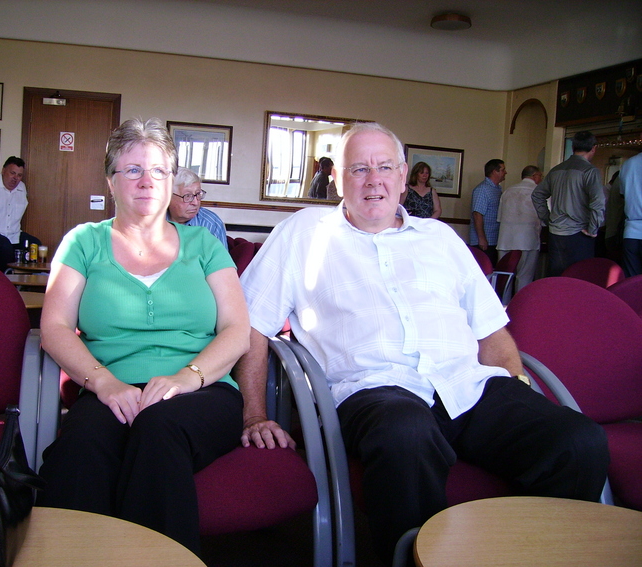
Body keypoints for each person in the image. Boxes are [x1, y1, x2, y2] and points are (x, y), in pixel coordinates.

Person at [234, 122, 609, 565]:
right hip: (375, 391)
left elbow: (489, 329)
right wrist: (255, 413)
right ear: (338, 179)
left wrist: (517, 388)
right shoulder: (303, 233)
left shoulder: (440, 238)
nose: (373, 180)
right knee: (407, 434)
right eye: (359, 169)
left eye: (384, 167)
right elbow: (252, 323)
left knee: (578, 441)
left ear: (402, 175)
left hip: (467, 385)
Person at [36, 118, 250, 554]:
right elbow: (54, 328)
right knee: (81, 446)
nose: (147, 181)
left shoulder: (205, 246)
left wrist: (187, 378)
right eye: (133, 170)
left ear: (170, 180)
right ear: (110, 181)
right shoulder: (84, 242)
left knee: (159, 427)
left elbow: (237, 330)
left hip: (202, 390)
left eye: (158, 170)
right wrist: (104, 383)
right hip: (110, 388)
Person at [532, 131, 605, 277]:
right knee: (578, 279)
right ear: (594, 148)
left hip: (556, 233)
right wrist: (593, 228)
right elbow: (598, 202)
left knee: (557, 277)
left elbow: (537, 195)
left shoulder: (556, 170)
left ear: (573, 147)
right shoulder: (590, 171)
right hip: (580, 232)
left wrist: (548, 219)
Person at [496, 165, 543, 292]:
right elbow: (545, 218)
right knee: (524, 277)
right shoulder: (539, 192)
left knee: (504, 277)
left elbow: (499, 217)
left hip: (505, 239)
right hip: (527, 240)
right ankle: (520, 302)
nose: (541, 179)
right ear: (535, 176)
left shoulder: (508, 191)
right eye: (540, 176)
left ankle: (503, 302)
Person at [167, 167, 228, 249]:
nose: (195, 203)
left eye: (198, 194)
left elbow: (221, 257)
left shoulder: (212, 223)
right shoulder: (154, 219)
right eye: (188, 196)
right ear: (169, 196)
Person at [469, 159, 507, 266]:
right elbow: (477, 214)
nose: (506, 172)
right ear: (495, 172)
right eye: (503, 170)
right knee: (485, 270)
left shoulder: (497, 189)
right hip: (484, 242)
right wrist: (482, 238)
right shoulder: (482, 189)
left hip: (493, 239)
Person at [618, 152, 642, 276]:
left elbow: (622, 195)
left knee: (633, 283)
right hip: (631, 230)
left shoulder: (628, 163)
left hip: (631, 233)